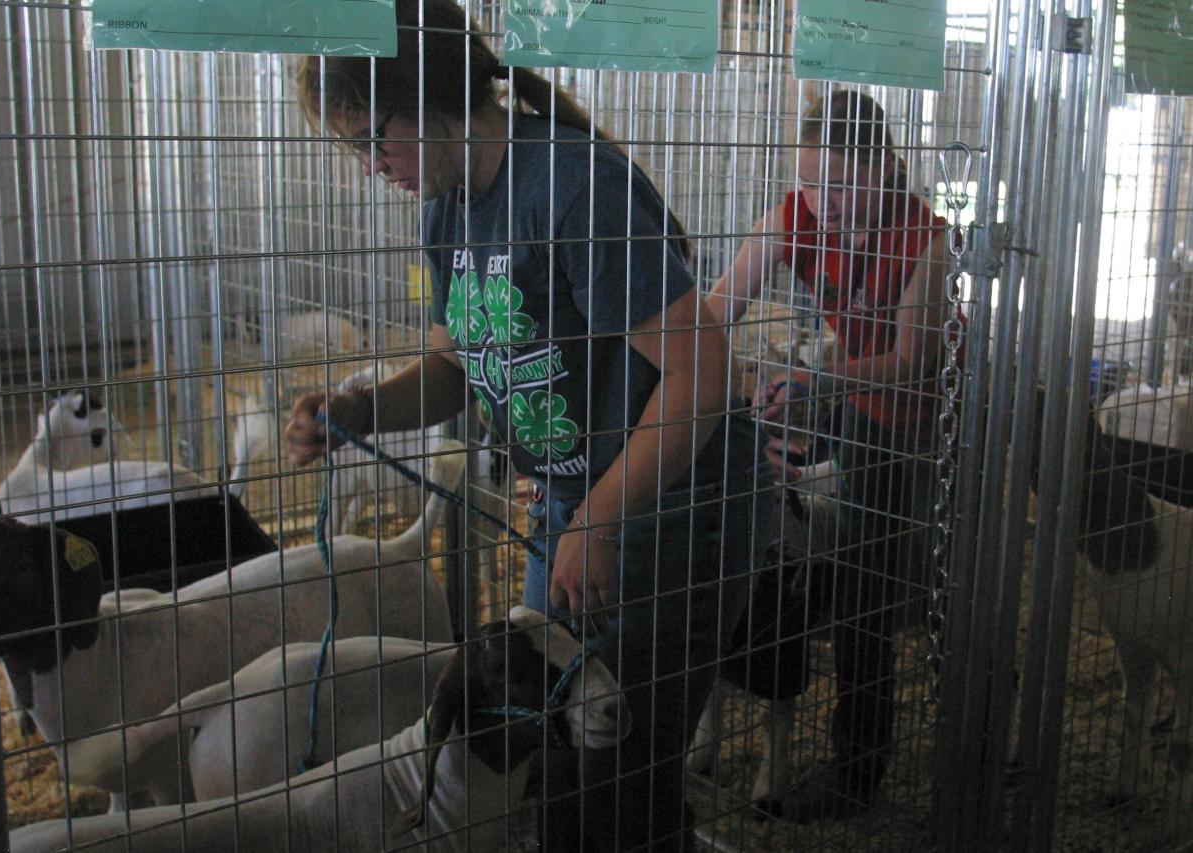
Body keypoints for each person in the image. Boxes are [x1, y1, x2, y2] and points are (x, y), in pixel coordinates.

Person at [284, 2, 771, 848]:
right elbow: (452, 366)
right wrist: (363, 411)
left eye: (373, 138)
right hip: (578, 511)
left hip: (674, 513)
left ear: (431, 98)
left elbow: (704, 371)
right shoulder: (446, 206)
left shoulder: (577, 185)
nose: (372, 167)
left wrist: (602, 516)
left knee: (614, 767)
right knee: (556, 749)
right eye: (355, 148)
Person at [706, 90, 960, 821]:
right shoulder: (797, 217)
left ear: (884, 169)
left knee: (915, 592)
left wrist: (815, 380)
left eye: (843, 183)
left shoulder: (929, 241)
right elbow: (720, 310)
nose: (826, 201)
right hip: (861, 413)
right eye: (813, 181)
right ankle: (861, 759)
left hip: (935, 431)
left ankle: (929, 750)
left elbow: (913, 363)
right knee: (859, 581)